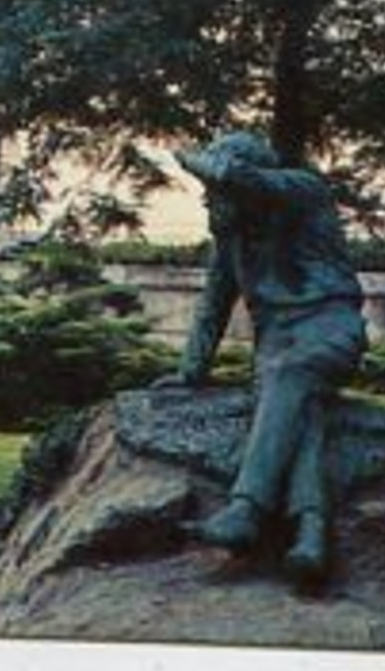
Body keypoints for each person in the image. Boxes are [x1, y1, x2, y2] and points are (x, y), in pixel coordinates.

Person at [155, 131, 367, 578]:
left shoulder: (303, 193)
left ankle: (246, 509)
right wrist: (191, 372)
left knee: (289, 376)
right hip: (276, 344)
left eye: (214, 193)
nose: (207, 203)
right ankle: (311, 533)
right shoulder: (232, 239)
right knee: (297, 409)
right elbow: (213, 305)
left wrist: (187, 158)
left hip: (329, 326)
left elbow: (238, 176)